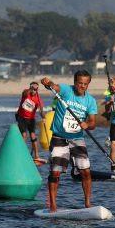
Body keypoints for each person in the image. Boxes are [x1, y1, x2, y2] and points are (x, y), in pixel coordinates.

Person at [41, 70, 97, 212]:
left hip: (77, 138)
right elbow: (55, 86)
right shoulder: (66, 90)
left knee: (86, 171)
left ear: (88, 84)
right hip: (59, 137)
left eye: (85, 84)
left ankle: (88, 205)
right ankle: (53, 206)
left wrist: (87, 125)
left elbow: (93, 123)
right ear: (74, 82)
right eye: (79, 83)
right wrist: (49, 83)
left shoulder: (90, 101)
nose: (82, 86)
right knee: (56, 172)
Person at [15, 81, 45, 160]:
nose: (33, 91)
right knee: (24, 135)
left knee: (33, 136)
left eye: (35, 90)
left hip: (31, 119)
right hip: (21, 117)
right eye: (32, 89)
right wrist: (31, 88)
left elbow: (41, 110)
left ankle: (36, 156)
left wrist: (43, 117)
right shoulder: (26, 92)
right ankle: (22, 154)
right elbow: (25, 93)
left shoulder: (38, 99)